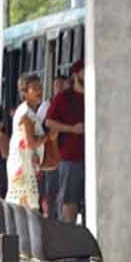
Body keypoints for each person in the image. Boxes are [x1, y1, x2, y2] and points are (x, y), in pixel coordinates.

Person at [41, 63, 85, 222]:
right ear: (75, 74)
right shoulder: (64, 97)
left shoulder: (96, 96)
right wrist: (72, 129)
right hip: (70, 157)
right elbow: (49, 122)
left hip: (94, 158)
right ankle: (68, 236)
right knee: (70, 199)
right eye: (84, 71)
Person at [7, 73, 46, 213]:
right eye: (34, 88)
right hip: (22, 168)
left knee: (25, 208)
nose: (39, 91)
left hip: (26, 166)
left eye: (40, 87)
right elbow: (30, 143)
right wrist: (49, 137)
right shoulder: (25, 113)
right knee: (26, 210)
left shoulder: (29, 111)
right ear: (24, 92)